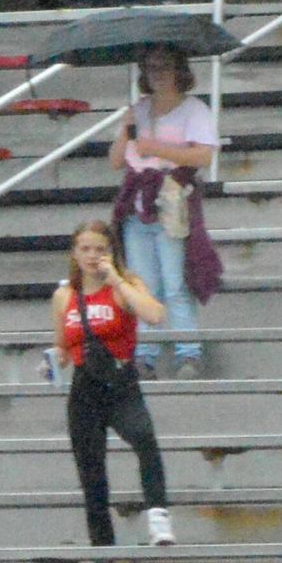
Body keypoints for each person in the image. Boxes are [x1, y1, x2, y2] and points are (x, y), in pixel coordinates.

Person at [51, 219, 174, 563]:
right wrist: (52, 360)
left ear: (111, 252)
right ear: (74, 253)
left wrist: (117, 279)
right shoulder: (64, 296)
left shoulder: (124, 286)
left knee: (143, 437)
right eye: (85, 249)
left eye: (99, 249)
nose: (92, 256)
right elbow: (64, 346)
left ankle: (158, 514)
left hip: (120, 381)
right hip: (85, 388)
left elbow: (155, 315)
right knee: (92, 480)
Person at [110, 43, 219, 373]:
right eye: (150, 67)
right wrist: (125, 128)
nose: (156, 74)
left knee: (174, 282)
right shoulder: (139, 111)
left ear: (178, 71)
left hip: (171, 202)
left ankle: (189, 350)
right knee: (143, 283)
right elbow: (117, 161)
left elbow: (203, 155)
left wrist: (158, 148)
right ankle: (145, 354)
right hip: (138, 203)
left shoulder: (194, 110)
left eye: (163, 67)